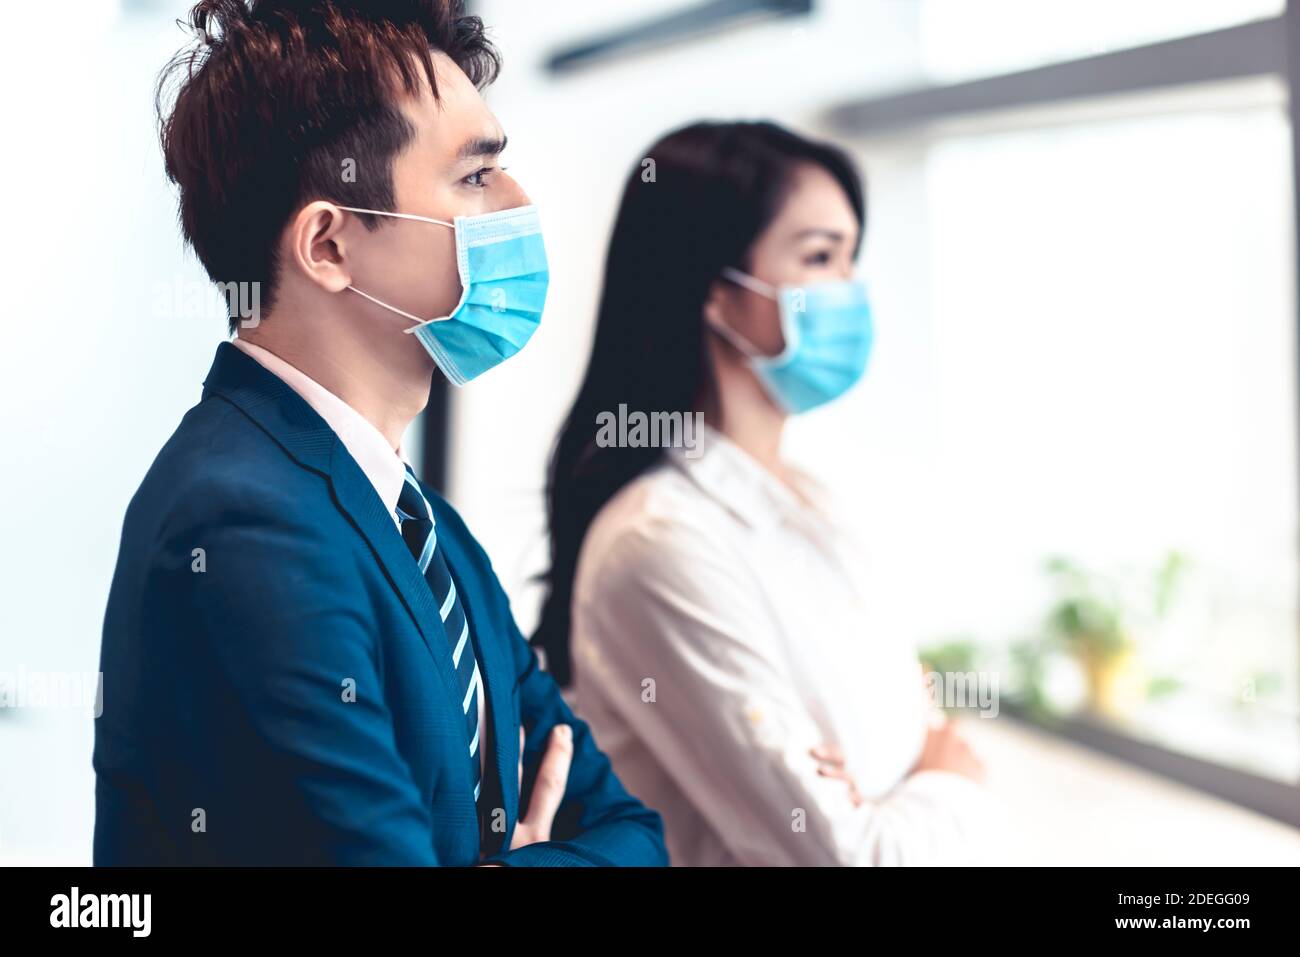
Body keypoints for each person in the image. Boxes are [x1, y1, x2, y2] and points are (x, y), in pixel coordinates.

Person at [94, 0, 666, 867]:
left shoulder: (427, 528)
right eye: (475, 179)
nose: (520, 203)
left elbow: (637, 836)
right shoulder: (240, 523)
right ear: (329, 245)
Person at [536, 121, 1001, 866]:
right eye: (819, 257)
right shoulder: (658, 540)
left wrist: (895, 781)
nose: (849, 289)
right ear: (720, 296)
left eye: (852, 259)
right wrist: (949, 782)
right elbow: (840, 854)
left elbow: (904, 732)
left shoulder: (816, 499)